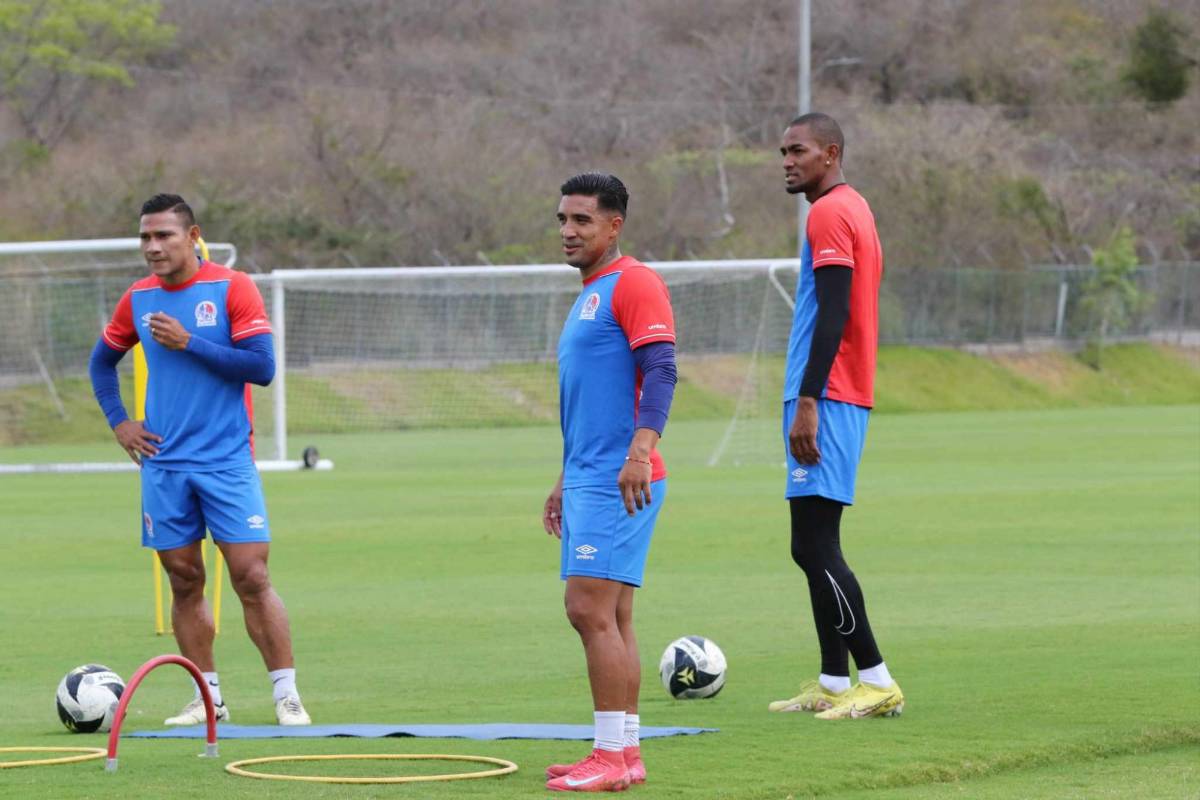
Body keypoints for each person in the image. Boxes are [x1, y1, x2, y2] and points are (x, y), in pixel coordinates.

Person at [88, 194, 311, 726]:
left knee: (251, 576)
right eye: (145, 236)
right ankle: (208, 699)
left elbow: (261, 367)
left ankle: (287, 694)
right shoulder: (137, 298)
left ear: (192, 236)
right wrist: (120, 422)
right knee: (183, 580)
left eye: (163, 235)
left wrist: (190, 343)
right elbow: (101, 363)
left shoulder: (232, 288)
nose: (152, 246)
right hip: (164, 466)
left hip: (226, 461)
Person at [541, 173, 677, 792]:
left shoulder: (635, 282)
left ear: (614, 225)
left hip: (621, 478)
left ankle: (608, 755)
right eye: (563, 220)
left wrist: (641, 452)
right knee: (615, 615)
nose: (568, 231)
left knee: (586, 608)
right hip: (590, 477)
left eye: (583, 221)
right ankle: (624, 753)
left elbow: (662, 368)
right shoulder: (589, 292)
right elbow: (591, 401)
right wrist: (564, 479)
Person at [766, 113, 904, 720]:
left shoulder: (828, 213)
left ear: (831, 152)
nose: (788, 161)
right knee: (814, 543)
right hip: (837, 392)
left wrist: (809, 399)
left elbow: (836, 311)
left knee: (813, 545)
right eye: (783, 152)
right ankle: (832, 679)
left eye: (798, 150)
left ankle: (875, 678)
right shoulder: (854, 208)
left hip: (830, 395)